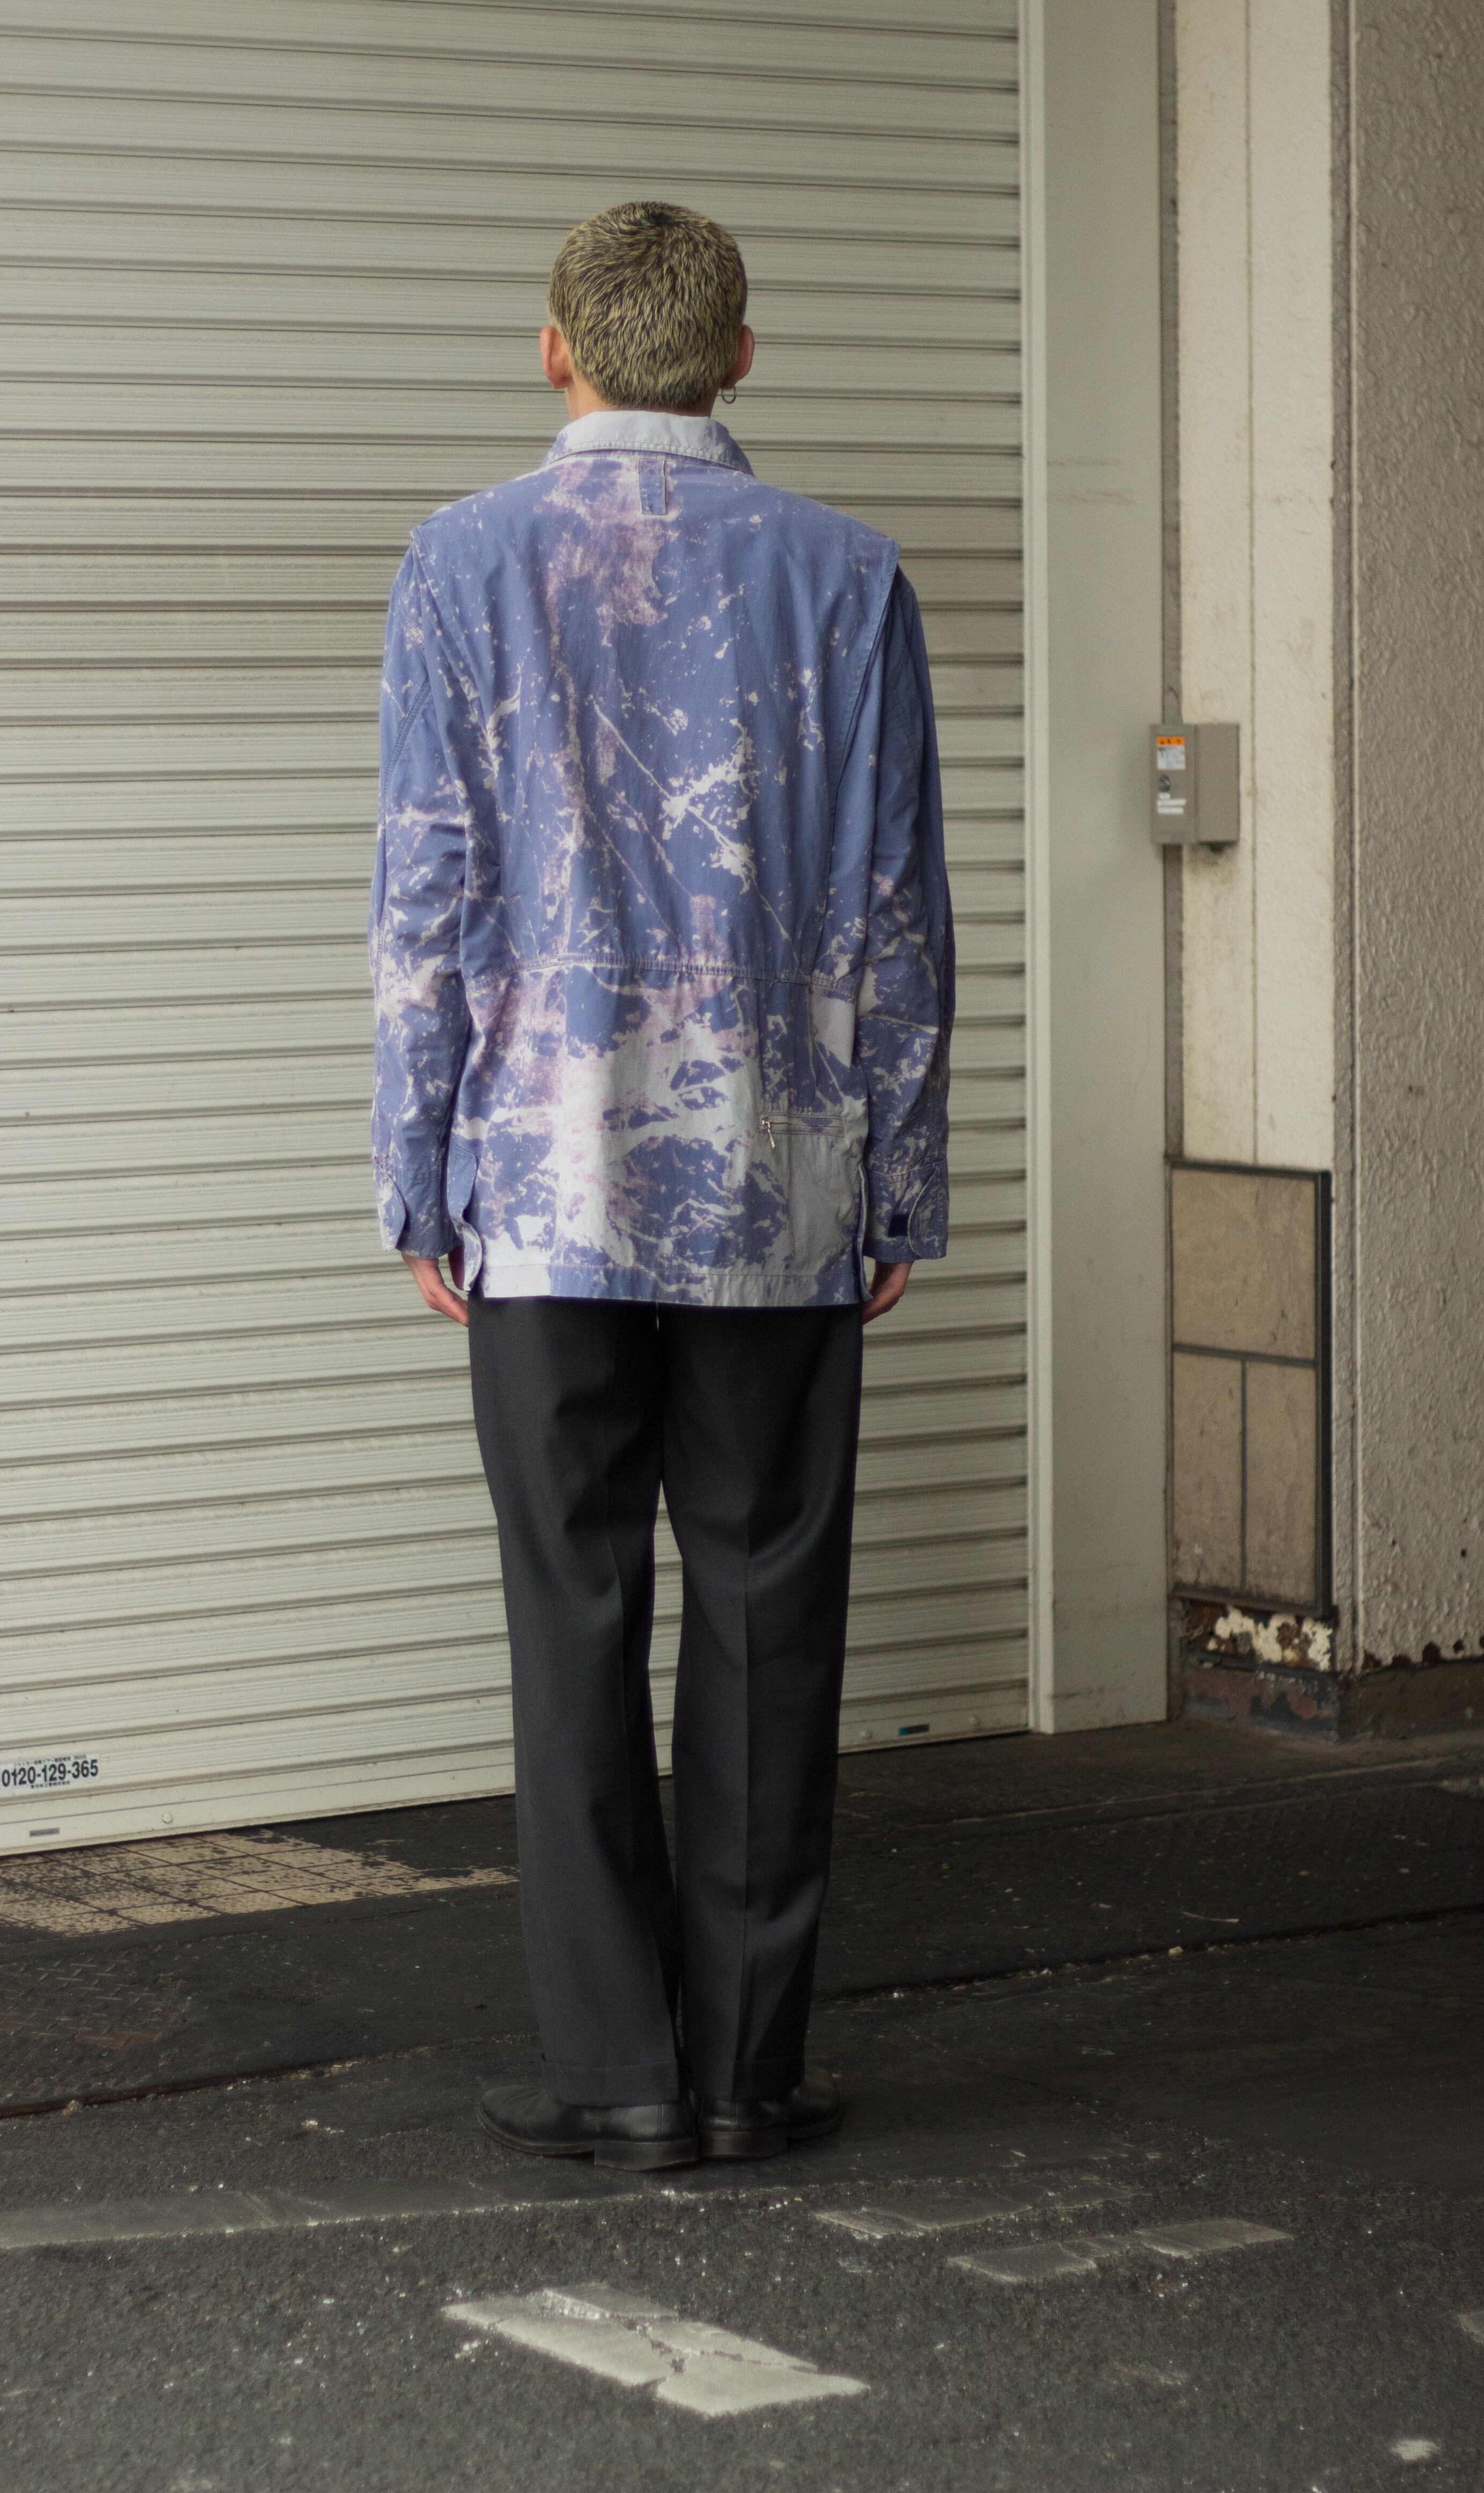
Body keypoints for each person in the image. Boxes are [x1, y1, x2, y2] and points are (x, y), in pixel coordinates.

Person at [368, 200, 952, 2170]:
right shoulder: (847, 575)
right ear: (742, 355)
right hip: (774, 1174)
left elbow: (425, 898)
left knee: (572, 1608)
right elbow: (896, 906)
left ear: (556, 349)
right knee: (770, 1605)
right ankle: (748, 2073)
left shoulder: (460, 563)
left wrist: (419, 1170)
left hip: (542, 1184)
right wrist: (896, 1174)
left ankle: (617, 2075)